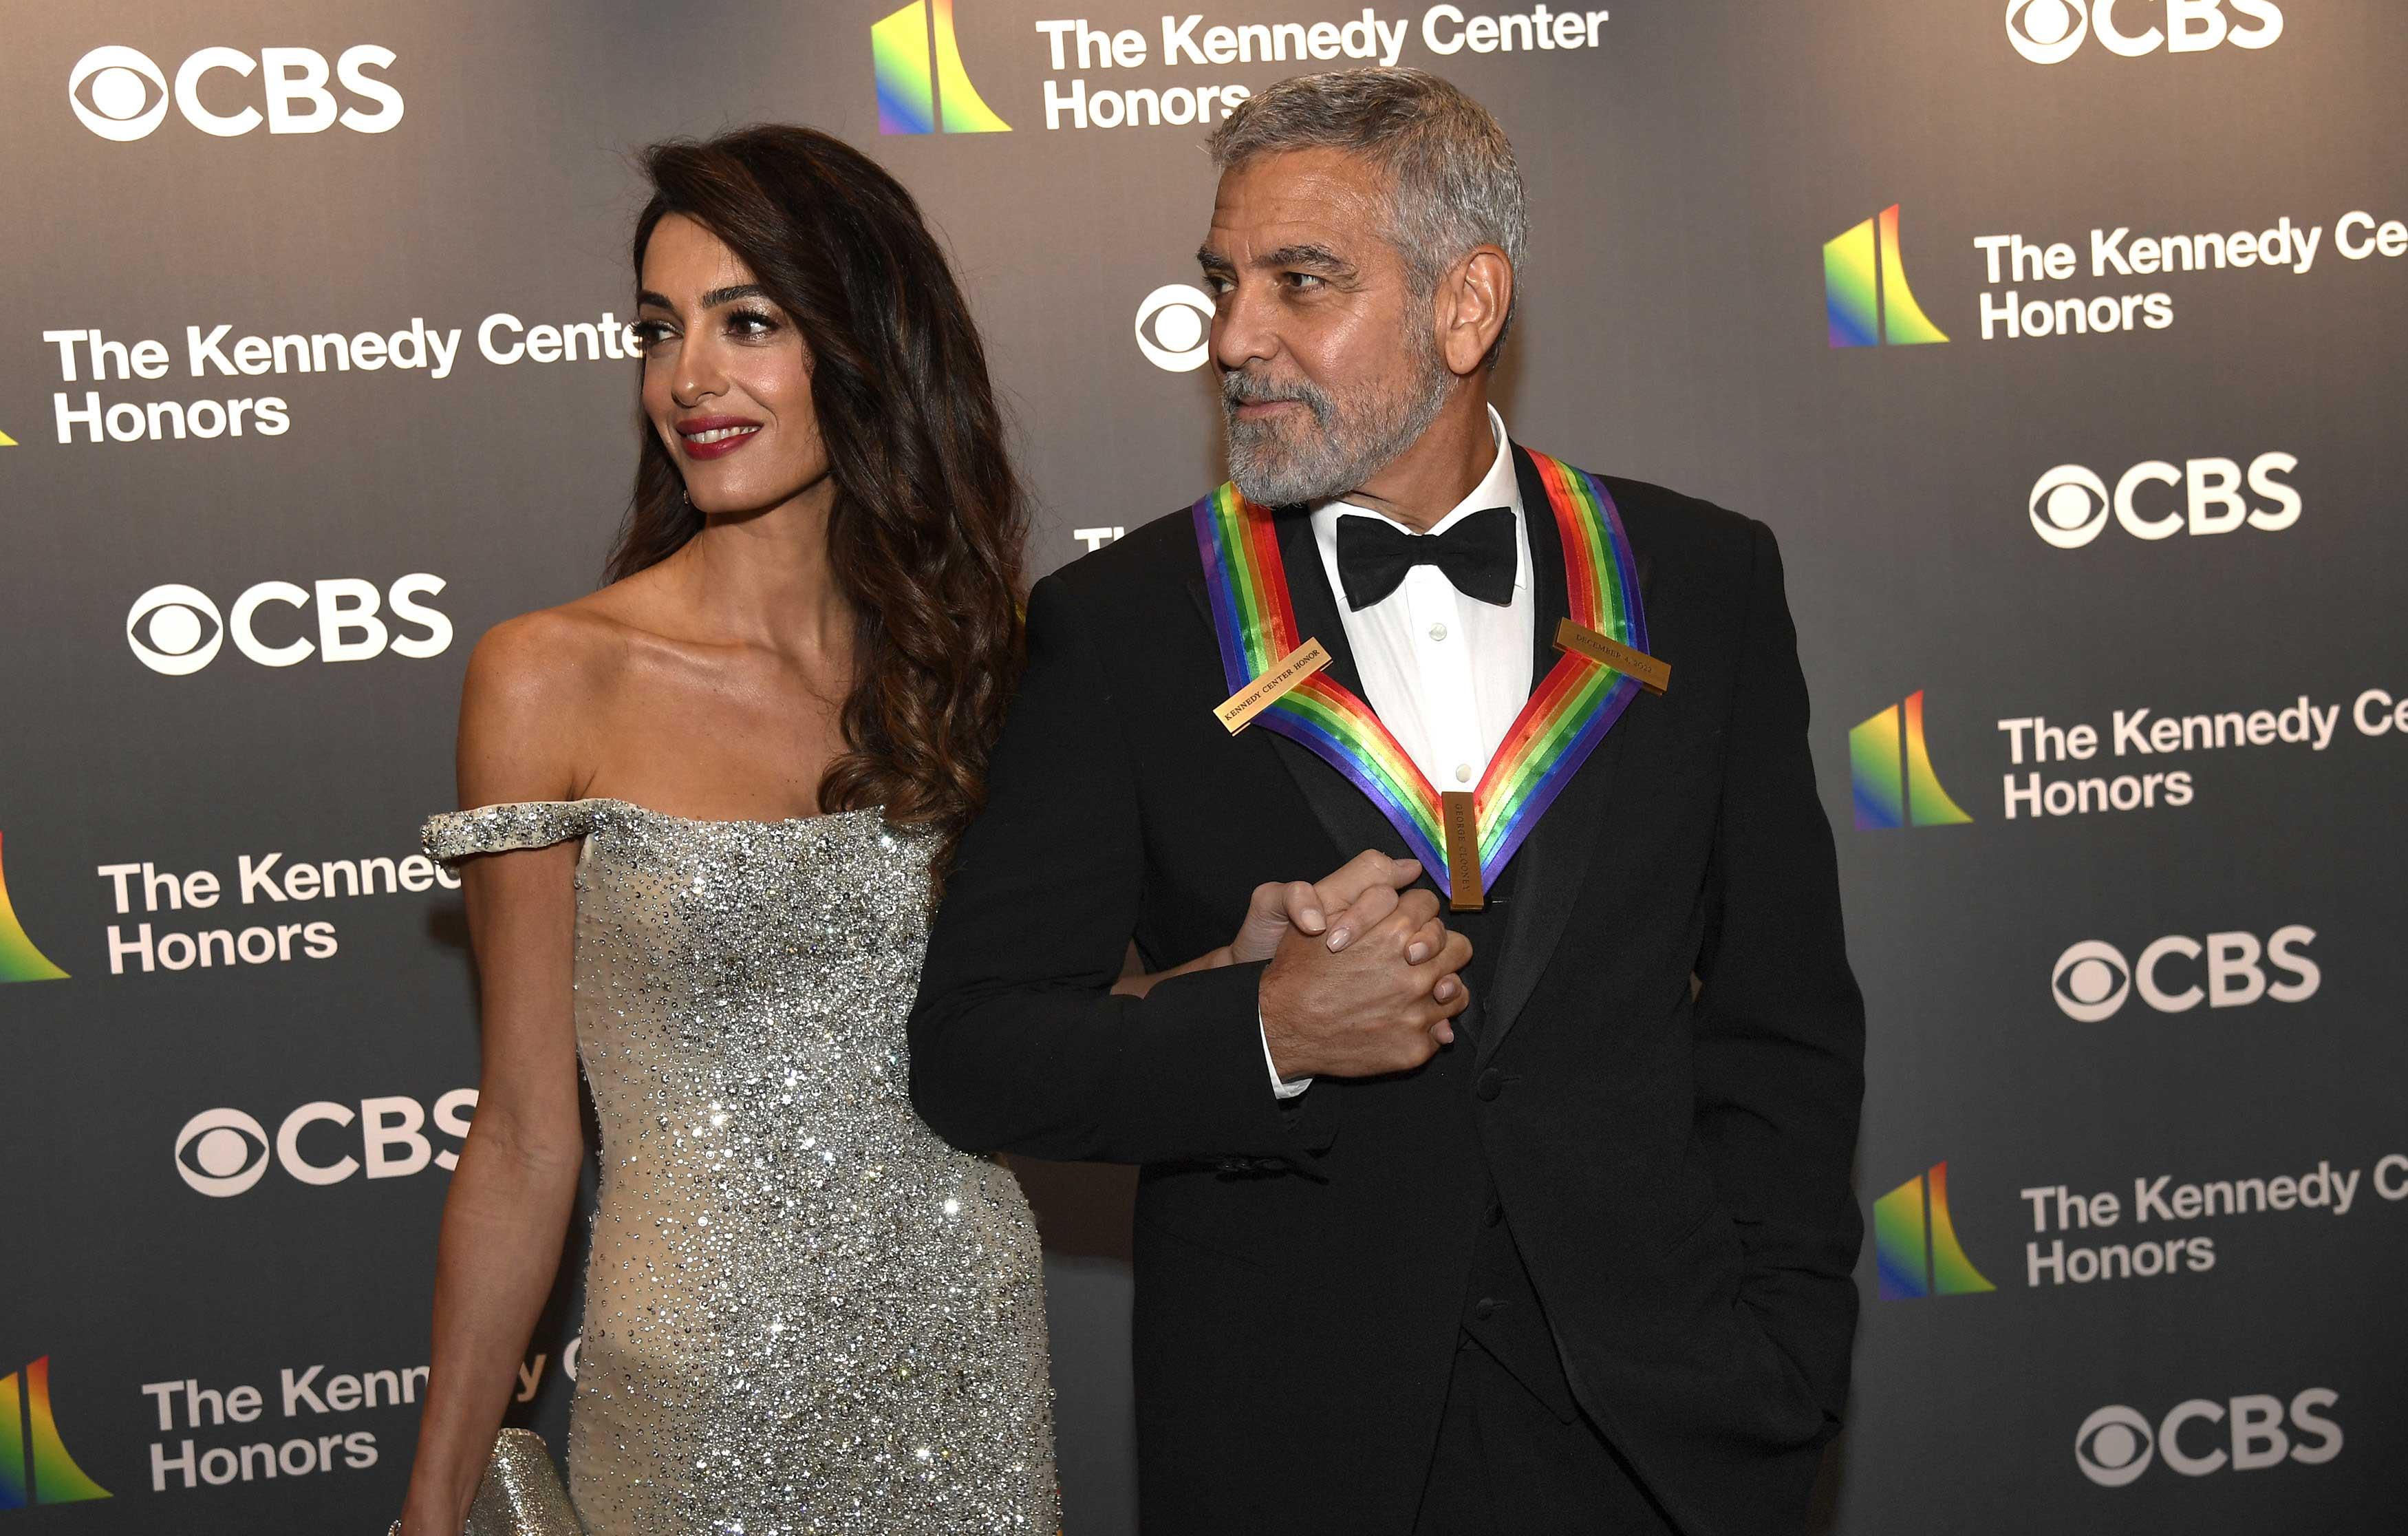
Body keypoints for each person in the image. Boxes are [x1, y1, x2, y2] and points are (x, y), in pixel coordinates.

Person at [910, 68, 1866, 1536]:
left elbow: (1781, 1024)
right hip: (1295, 1442)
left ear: (1465, 305)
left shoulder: (1702, 579)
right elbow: (974, 1052)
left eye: (1302, 284)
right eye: (1222, 283)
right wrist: (1262, 1032)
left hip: (1664, 1435)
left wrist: (1782, 1358)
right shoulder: (1127, 624)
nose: (1235, 338)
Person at [391, 125, 1064, 1536]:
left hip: (969, 1352)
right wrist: (435, 1506)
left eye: (747, 322)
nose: (687, 379)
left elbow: (1044, 1019)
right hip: (695, 1385)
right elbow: (521, 1135)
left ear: (863, 345)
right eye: (659, 330)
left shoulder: (976, 662)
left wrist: (1240, 978)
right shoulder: (551, 673)